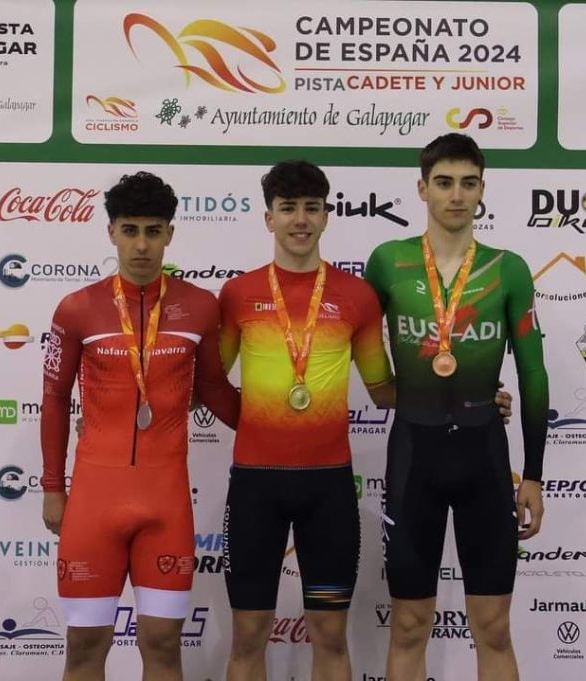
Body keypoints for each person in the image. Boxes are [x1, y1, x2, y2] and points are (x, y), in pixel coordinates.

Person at [39, 171, 240, 681]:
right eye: (130, 230)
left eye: (153, 231)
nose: (142, 245)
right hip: (94, 502)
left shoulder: (200, 305)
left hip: (165, 502)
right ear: (111, 232)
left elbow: (215, 389)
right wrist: (52, 488)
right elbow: (55, 399)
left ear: (170, 233)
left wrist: (276, 435)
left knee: (164, 645)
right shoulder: (77, 308)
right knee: (84, 647)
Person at [364, 133, 549, 681]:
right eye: (443, 183)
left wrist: (534, 475)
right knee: (408, 624)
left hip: (483, 458)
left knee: (493, 627)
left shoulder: (508, 268)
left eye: (468, 183)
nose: (456, 195)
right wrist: (396, 391)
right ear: (422, 189)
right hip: (413, 457)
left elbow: (533, 374)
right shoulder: (388, 262)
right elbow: (353, 344)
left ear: (482, 190)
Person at [217, 160, 395, 681]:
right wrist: (256, 423)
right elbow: (208, 383)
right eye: (288, 208)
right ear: (268, 218)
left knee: (331, 635)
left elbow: (384, 390)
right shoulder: (237, 294)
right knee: (247, 635)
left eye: (311, 208)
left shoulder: (357, 296)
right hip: (255, 485)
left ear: (326, 216)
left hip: (328, 488)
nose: (300, 219)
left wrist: (468, 396)